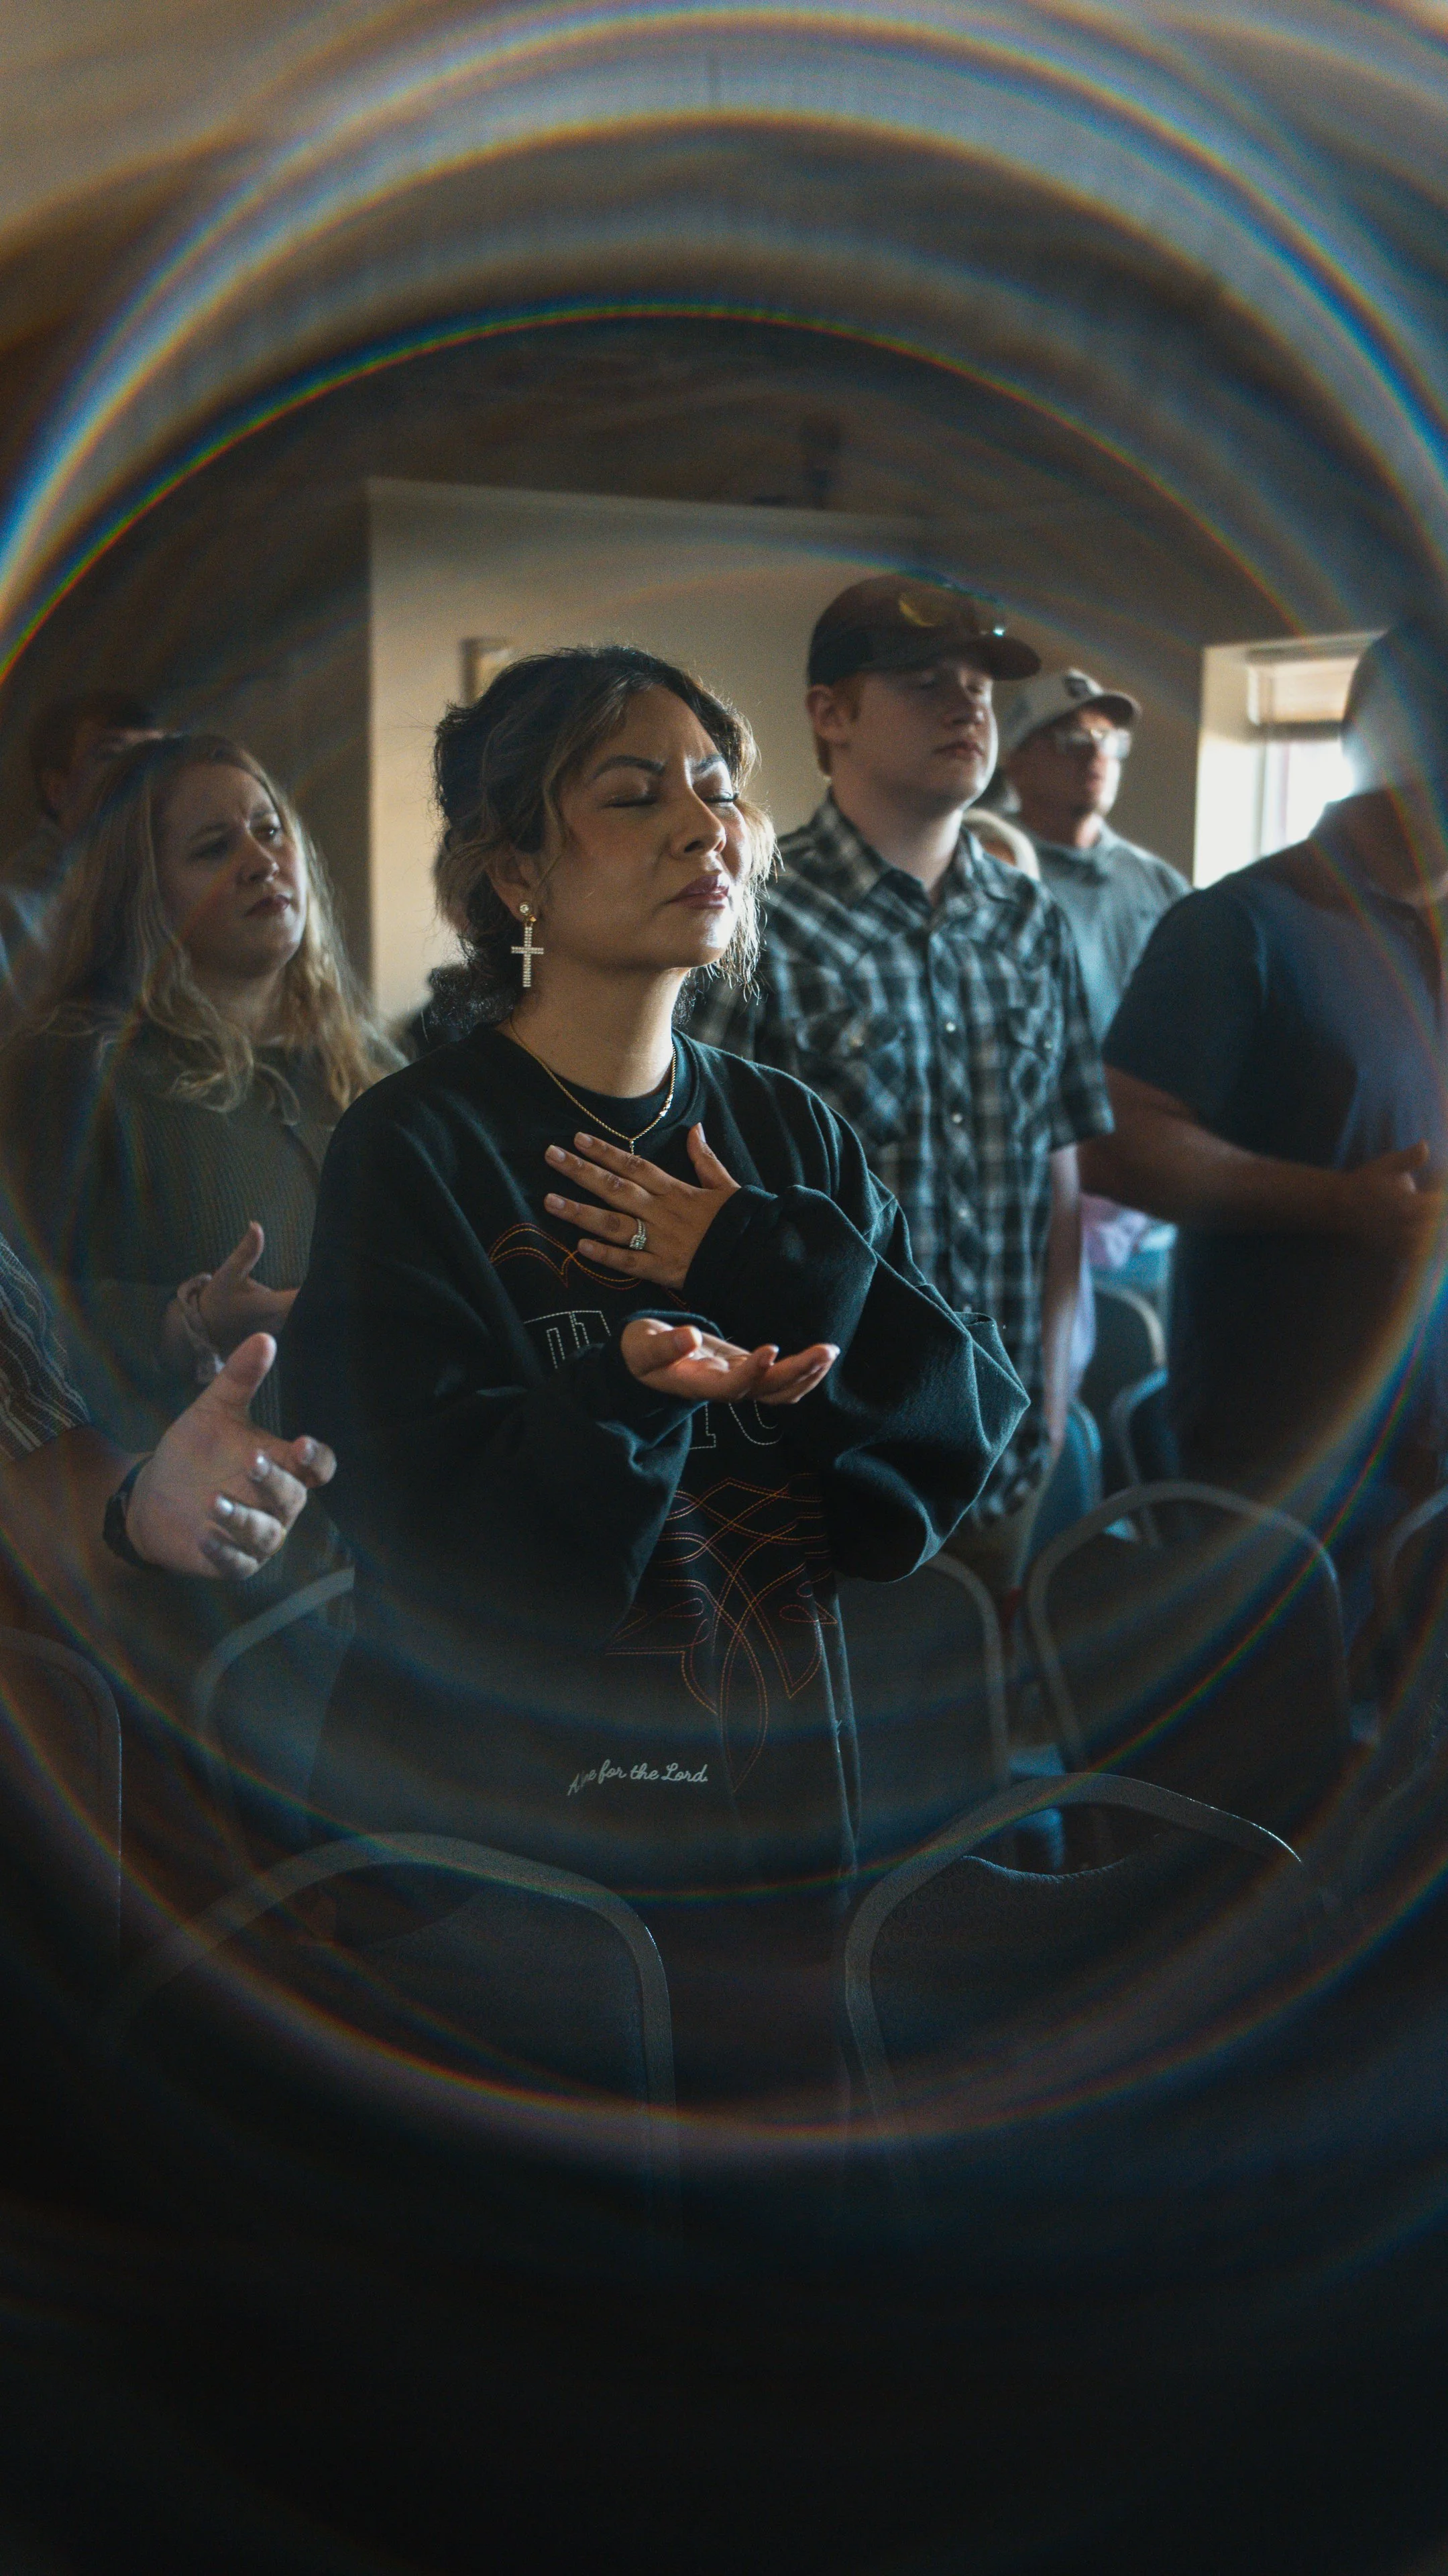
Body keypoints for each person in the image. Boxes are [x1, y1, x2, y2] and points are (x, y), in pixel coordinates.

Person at [282, 645, 1025, 2104]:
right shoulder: (417, 1146)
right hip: (496, 1839)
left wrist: (752, 1255)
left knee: (763, 2241)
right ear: (515, 880)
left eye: (717, 789)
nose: (705, 828)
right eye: (634, 796)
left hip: (765, 1816)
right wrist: (622, 1387)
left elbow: (939, 1454)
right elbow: (419, 1537)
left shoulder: (781, 1134)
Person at [691, 576, 1112, 1599]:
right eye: (924, 683)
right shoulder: (750, 921)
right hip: (825, 1455)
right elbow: (700, 1199)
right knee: (822, 1752)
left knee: (973, 1736)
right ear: (828, 715)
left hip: (1001, 1442)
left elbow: (1057, 1181)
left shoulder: (1026, 919)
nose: (966, 706)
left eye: (976, 686)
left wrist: (1052, 1400)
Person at [1080, 616, 1448, 1623]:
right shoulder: (1238, 924)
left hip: (1427, 1439)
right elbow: (1115, 1144)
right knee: (1292, 1761)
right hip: (1291, 1453)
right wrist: (1336, 1205)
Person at [0, 732, 398, 1463]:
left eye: (270, 829)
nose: (261, 861)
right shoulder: (78, 1067)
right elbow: (27, 1309)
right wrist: (182, 1324)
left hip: (394, 1530)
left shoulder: (370, 1064)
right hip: (195, 1533)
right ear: (141, 890)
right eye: (215, 847)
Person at [997, 669, 1187, 1045]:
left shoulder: (1160, 884)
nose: (1095, 753)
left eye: (1107, 739)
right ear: (1016, 764)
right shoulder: (991, 870)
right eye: (1071, 738)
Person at [0, 691, 159, 1038]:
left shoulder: (168, 879)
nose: (141, 775)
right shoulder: (13, 912)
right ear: (58, 790)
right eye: (112, 757)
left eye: (154, 759)